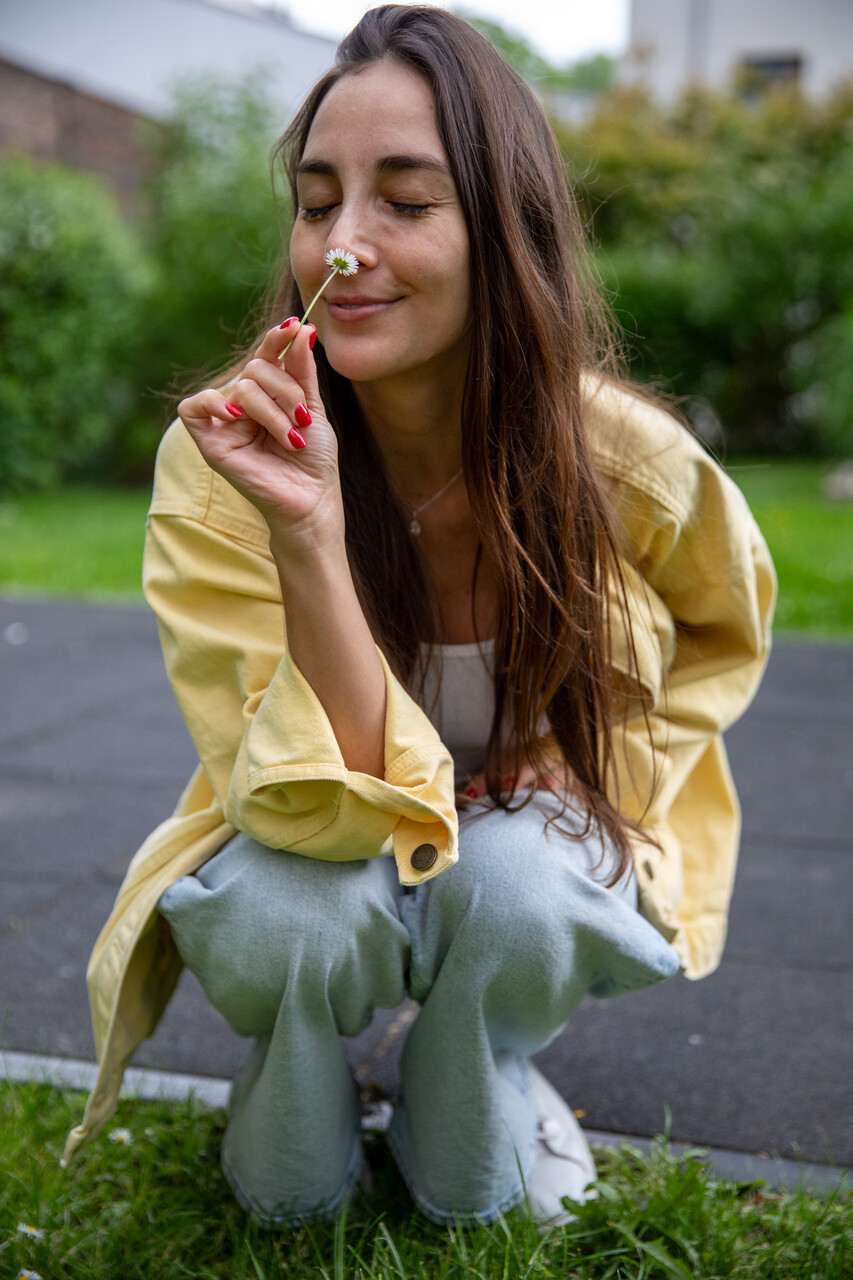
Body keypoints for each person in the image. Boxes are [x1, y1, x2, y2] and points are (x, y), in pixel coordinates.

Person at [63, 5, 775, 1229]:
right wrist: (309, 530)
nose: (342, 245)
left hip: (523, 850)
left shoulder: (628, 462)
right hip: (318, 832)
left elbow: (724, 633)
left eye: (404, 200)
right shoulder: (223, 467)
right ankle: (297, 1096)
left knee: (520, 889)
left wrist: (586, 766)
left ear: (503, 228)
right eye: (316, 200)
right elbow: (312, 798)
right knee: (283, 921)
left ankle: (479, 1064)